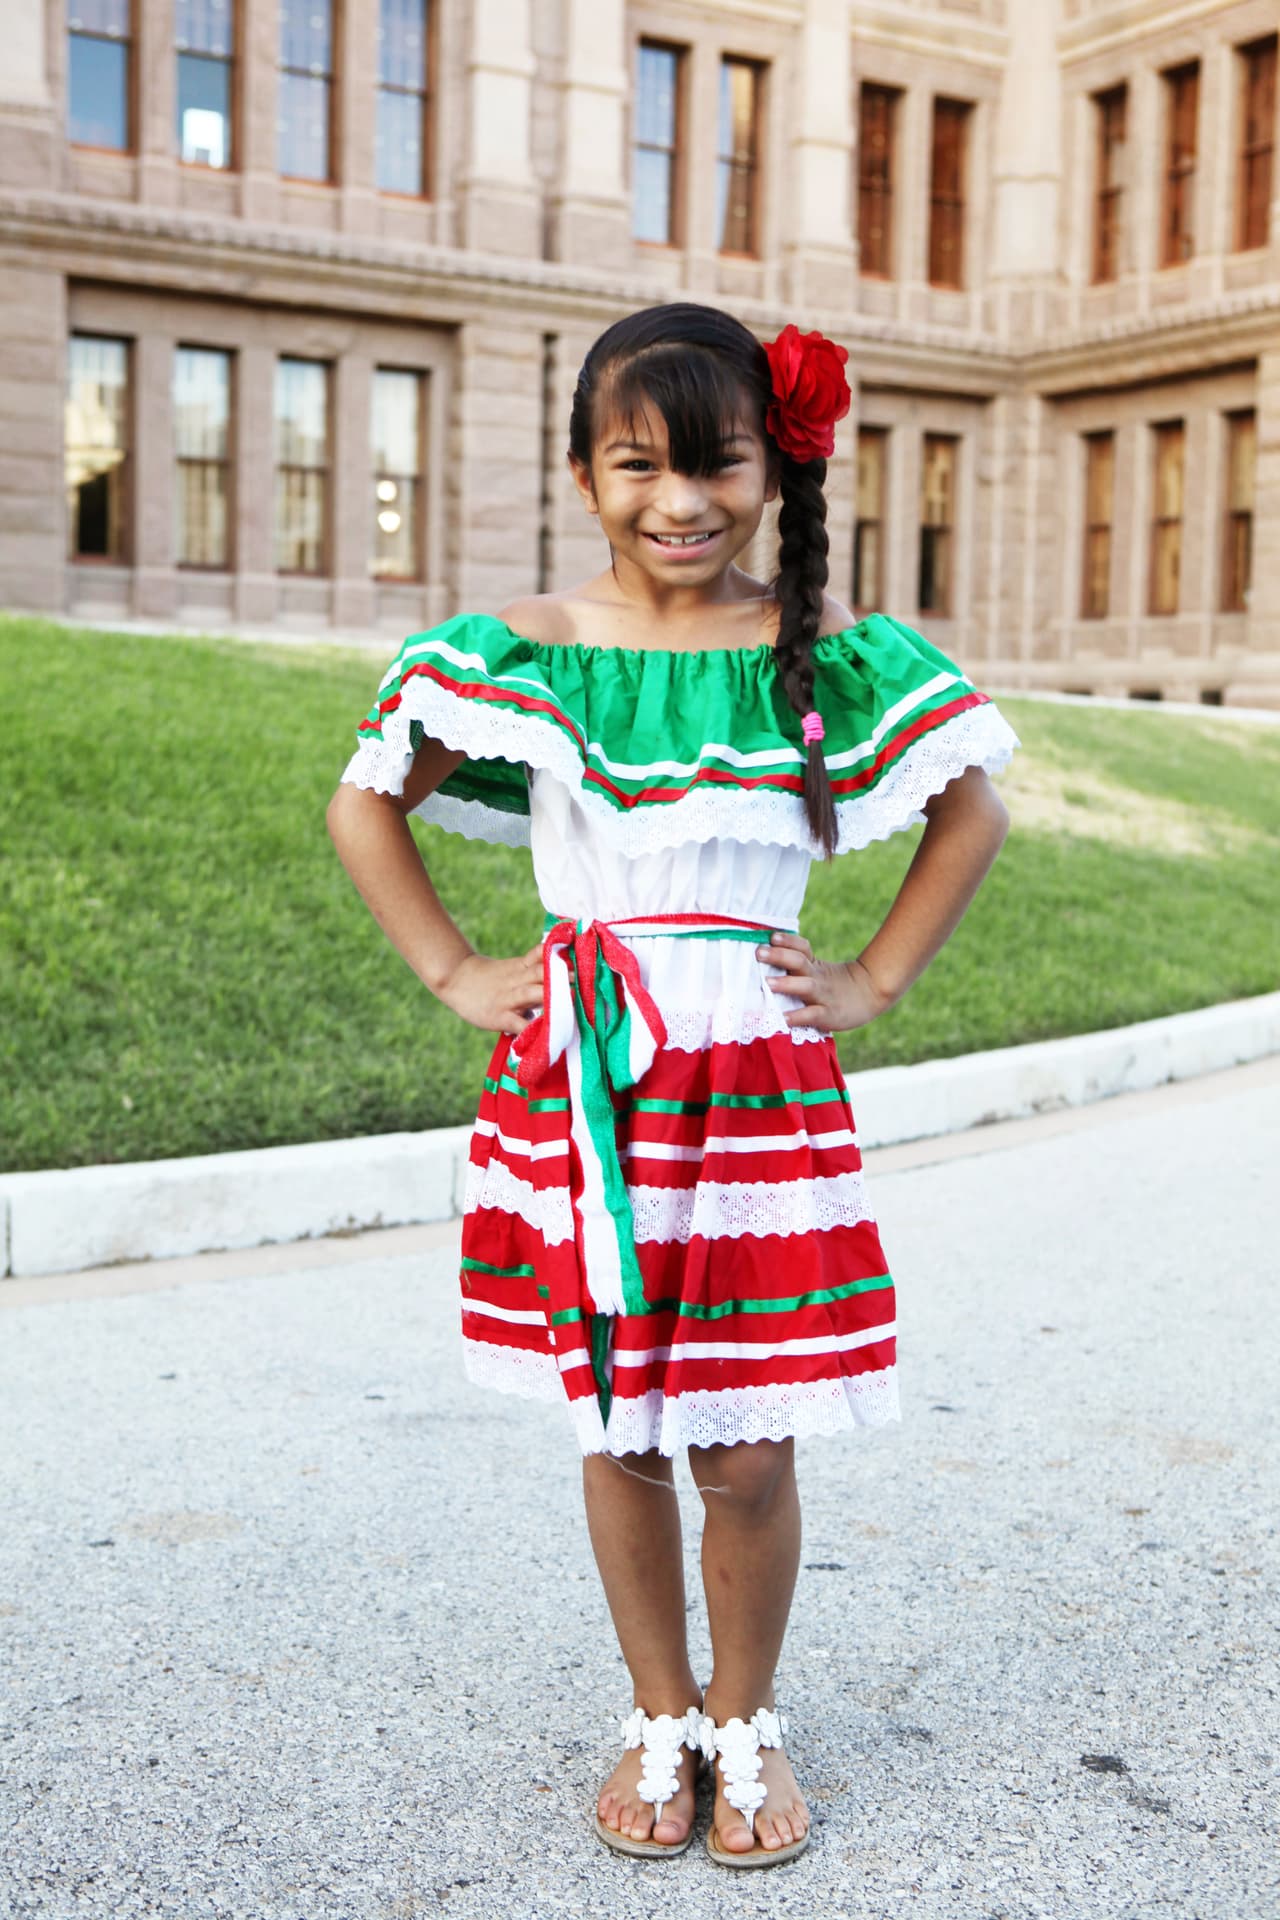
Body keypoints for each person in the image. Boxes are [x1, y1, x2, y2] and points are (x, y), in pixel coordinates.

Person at [326, 301, 1020, 1868]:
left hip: (760, 1093)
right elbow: (364, 806)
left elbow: (968, 809)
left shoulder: (830, 657)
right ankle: (656, 1706)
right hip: (593, 1080)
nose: (679, 500)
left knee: (750, 1443)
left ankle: (745, 1716)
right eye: (637, 463)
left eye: (716, 464)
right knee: (622, 1429)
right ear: (583, 474)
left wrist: (872, 979)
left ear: (774, 470)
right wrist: (455, 971)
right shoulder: (526, 647)